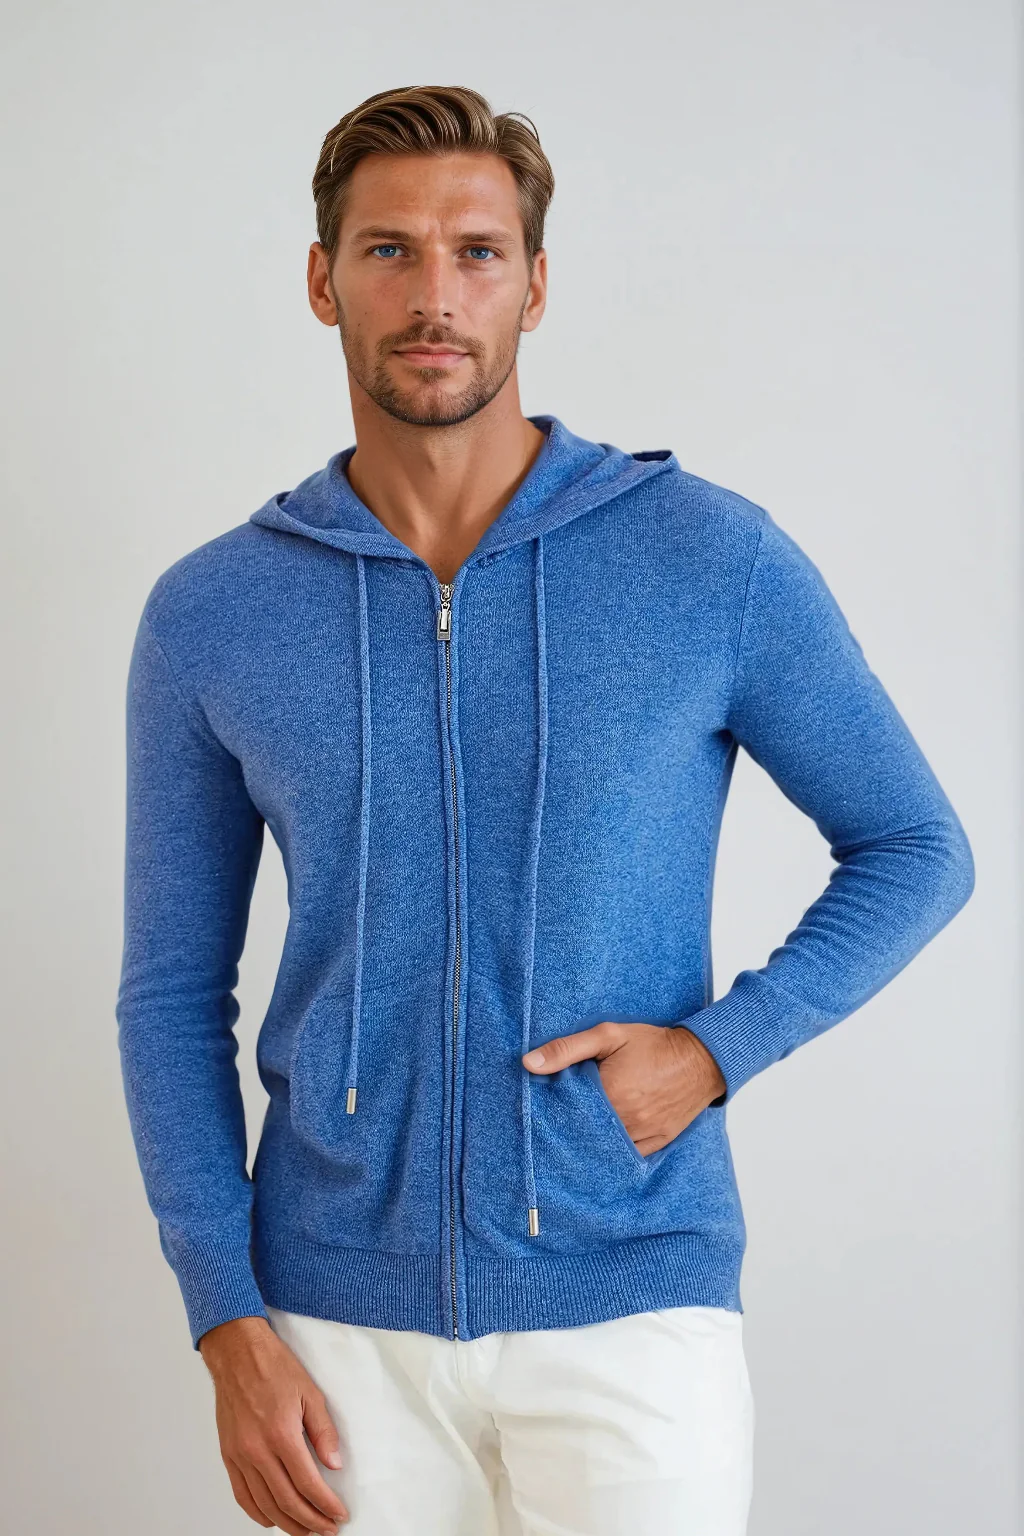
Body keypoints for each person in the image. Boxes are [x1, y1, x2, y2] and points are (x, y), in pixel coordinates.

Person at [114, 85, 975, 1536]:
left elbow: (917, 848)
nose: (434, 296)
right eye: (389, 251)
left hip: (633, 1302)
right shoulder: (216, 610)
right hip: (332, 1331)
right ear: (322, 281)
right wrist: (225, 1319)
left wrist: (715, 1053)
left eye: (477, 252)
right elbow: (168, 990)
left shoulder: (706, 559)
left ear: (536, 283)